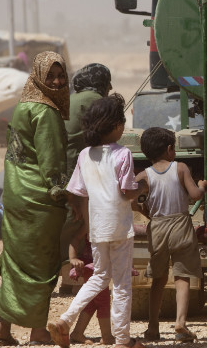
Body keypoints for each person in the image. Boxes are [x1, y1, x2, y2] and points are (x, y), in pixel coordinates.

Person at [48, 93, 148, 348]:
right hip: (119, 226)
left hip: (98, 229)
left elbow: (77, 192)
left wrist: (84, 218)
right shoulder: (122, 154)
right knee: (122, 284)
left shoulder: (84, 155)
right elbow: (127, 192)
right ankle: (123, 340)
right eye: (121, 124)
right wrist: (143, 187)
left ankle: (66, 319)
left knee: (100, 276)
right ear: (115, 126)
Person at [0, 51, 70, 346]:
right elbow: (51, 164)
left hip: (15, 195)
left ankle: (2, 329)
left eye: (61, 75)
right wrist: (63, 194)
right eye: (51, 76)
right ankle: (38, 332)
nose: (58, 81)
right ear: (38, 76)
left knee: (17, 262)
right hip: (39, 201)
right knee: (41, 266)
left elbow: (15, 155)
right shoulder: (46, 112)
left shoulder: (24, 106)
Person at [135, 127, 207, 342]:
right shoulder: (181, 168)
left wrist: (144, 211)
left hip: (157, 227)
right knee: (182, 275)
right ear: (170, 150)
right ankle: (180, 322)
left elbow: (133, 200)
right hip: (180, 225)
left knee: (158, 279)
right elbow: (194, 196)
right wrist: (203, 186)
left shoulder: (144, 176)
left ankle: (153, 327)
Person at [60, 63, 112, 275]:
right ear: (101, 83)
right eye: (108, 82)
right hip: (78, 170)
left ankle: (65, 268)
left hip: (60, 168)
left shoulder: (69, 100)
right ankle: (76, 271)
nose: (111, 86)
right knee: (82, 220)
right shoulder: (100, 103)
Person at [67, 227, 115, 345]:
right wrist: (72, 258)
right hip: (92, 266)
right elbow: (76, 238)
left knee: (93, 301)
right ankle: (107, 335)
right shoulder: (91, 221)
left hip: (99, 265)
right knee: (103, 300)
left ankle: (77, 332)